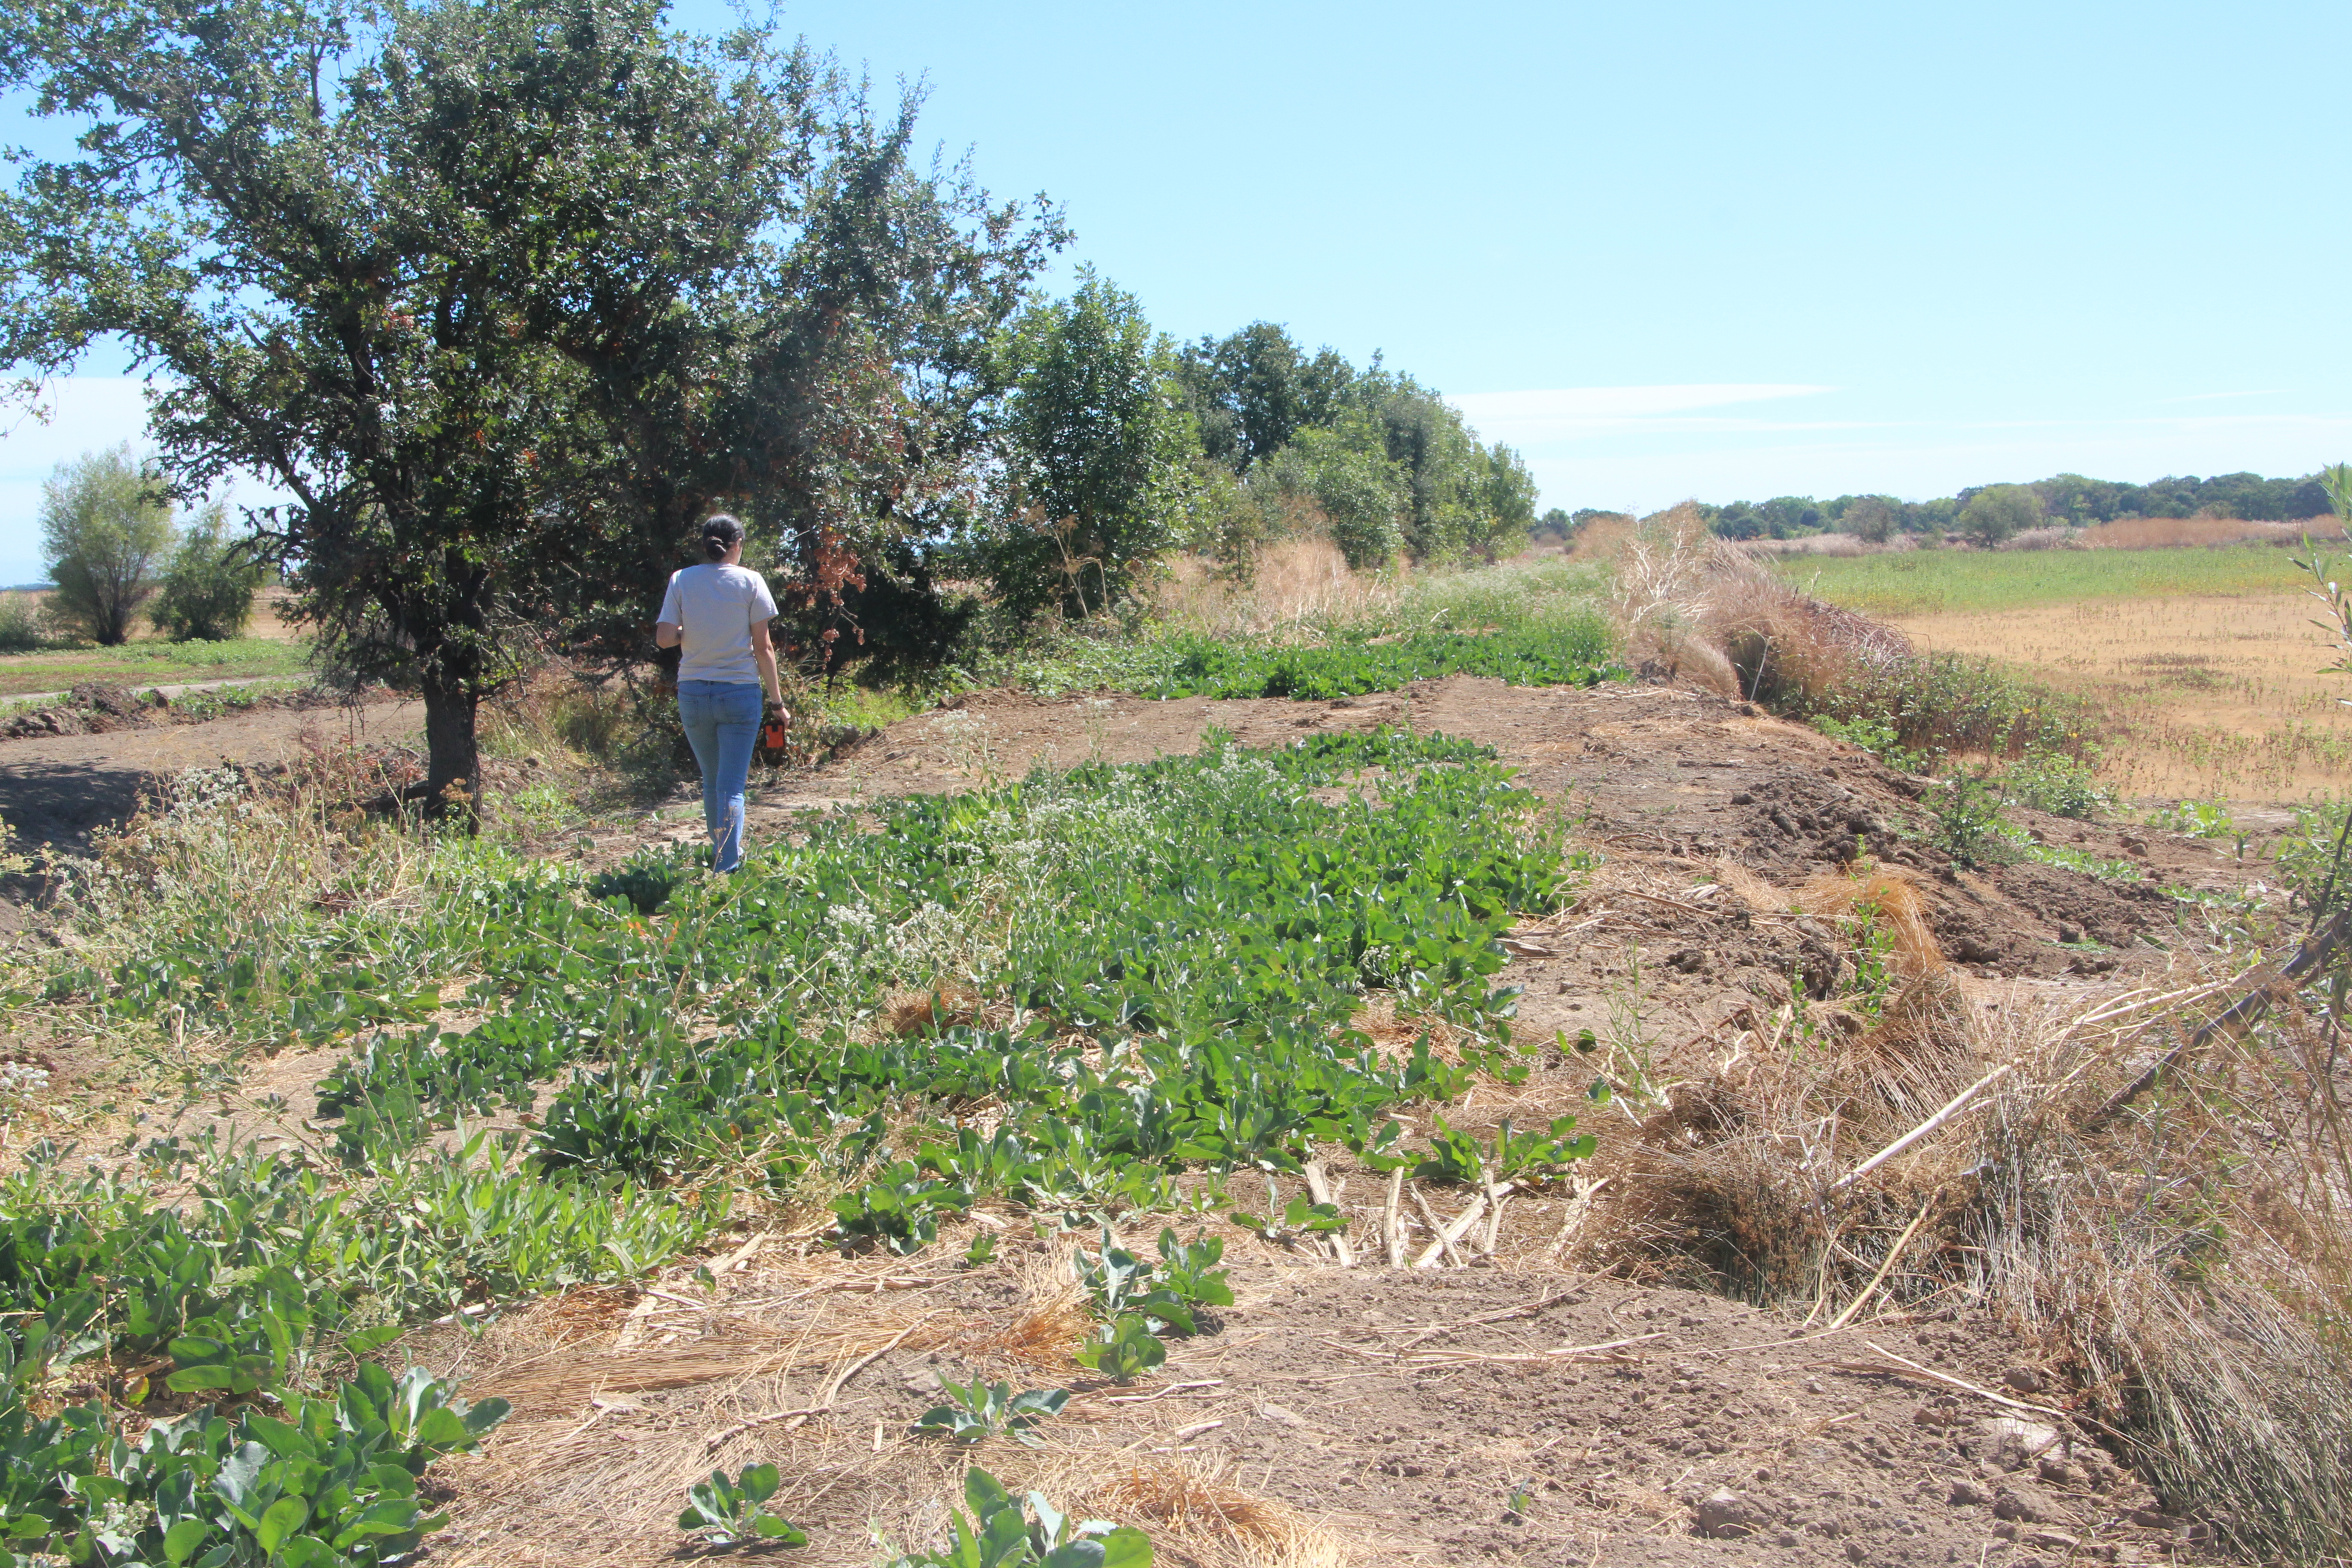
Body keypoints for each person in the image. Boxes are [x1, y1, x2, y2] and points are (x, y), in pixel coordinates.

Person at [654, 515, 788, 873]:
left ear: (705, 544)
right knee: (731, 786)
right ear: (738, 544)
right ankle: (727, 866)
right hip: (739, 693)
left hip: (694, 693)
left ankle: (720, 854)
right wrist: (777, 703)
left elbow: (665, 638)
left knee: (711, 782)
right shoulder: (751, 582)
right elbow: (764, 648)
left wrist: (690, 631)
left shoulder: (681, 579)